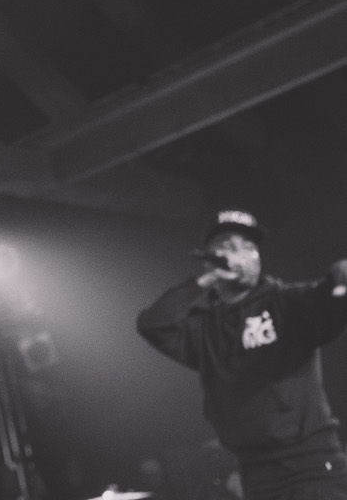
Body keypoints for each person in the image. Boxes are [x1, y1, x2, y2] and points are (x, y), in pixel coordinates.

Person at [137, 209, 347, 500]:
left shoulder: (286, 302)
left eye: (250, 247)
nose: (242, 254)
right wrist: (209, 278)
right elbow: (153, 324)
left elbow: (328, 296)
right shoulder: (205, 329)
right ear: (211, 258)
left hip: (312, 468)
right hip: (256, 475)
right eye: (229, 246)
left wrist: (340, 277)